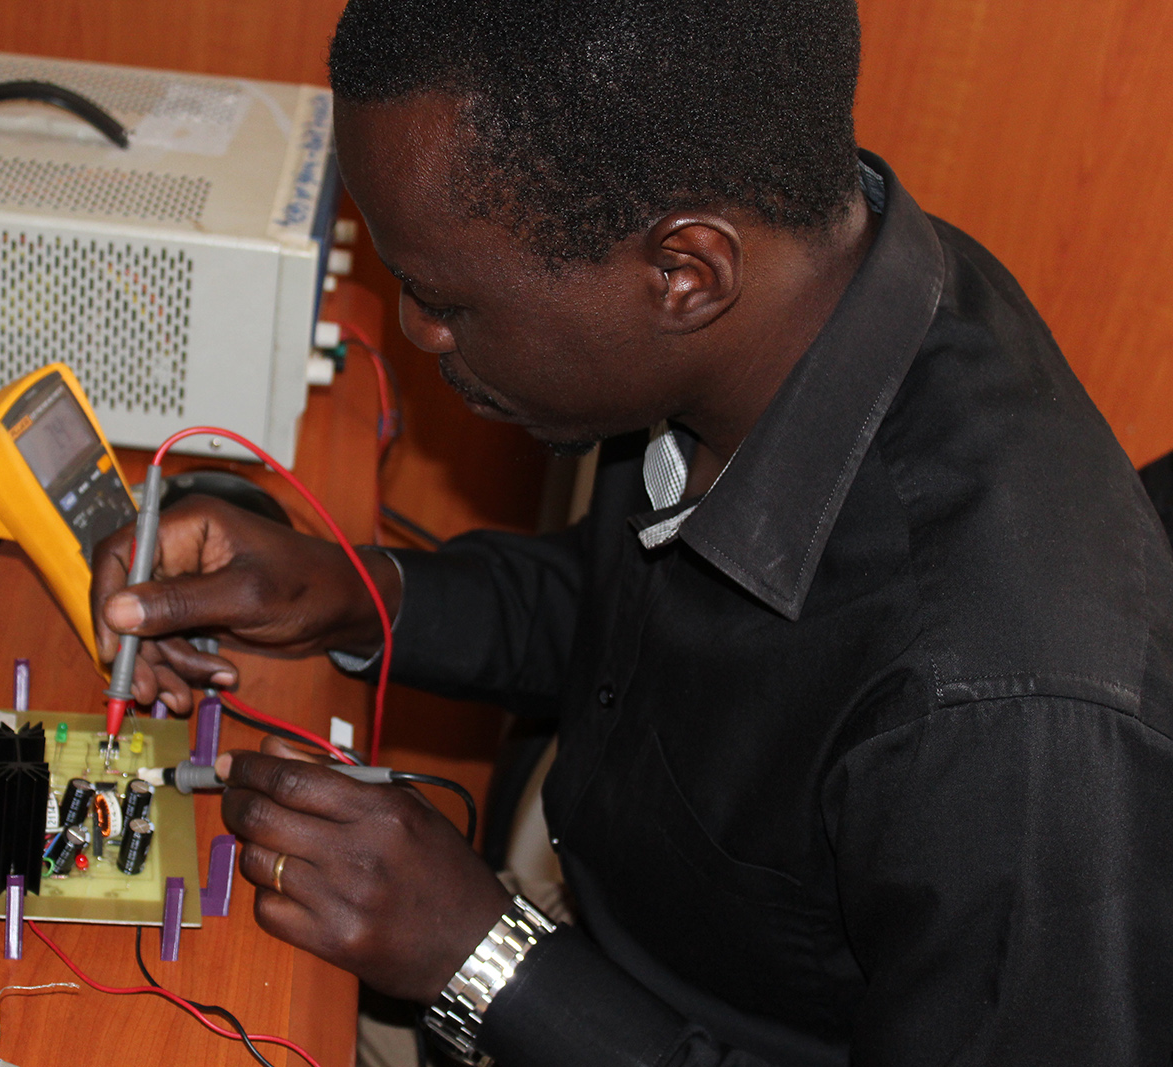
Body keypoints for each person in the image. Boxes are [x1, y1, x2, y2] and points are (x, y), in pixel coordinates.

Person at [91, 1, 1173, 1063]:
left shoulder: (1006, 731)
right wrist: (360, 592)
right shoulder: (805, 283)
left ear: (684, 274)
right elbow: (644, 614)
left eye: (444, 299)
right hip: (594, 926)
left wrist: (485, 958)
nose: (416, 333)